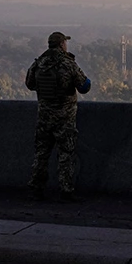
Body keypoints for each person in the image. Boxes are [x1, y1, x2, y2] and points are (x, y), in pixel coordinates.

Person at [25, 31, 91, 201]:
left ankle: (36, 188)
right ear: (62, 44)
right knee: (66, 154)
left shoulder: (39, 64)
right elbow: (84, 86)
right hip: (65, 118)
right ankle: (66, 189)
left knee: (41, 153)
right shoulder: (68, 64)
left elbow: (29, 84)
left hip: (44, 117)